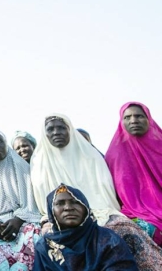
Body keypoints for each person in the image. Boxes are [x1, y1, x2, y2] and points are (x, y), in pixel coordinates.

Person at [31, 113, 162, 270]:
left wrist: (88, 213)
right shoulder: (38, 162)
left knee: (125, 228)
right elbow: (43, 200)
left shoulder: (90, 156)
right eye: (50, 129)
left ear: (70, 130)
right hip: (55, 217)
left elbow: (104, 192)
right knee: (44, 240)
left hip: (100, 210)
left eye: (61, 128)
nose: (56, 132)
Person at [0, 130, 42, 270]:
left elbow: (31, 203)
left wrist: (18, 220)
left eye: (0, 141)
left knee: (34, 238)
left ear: (6, 144)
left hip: (23, 220)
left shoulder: (21, 167)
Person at [34, 184, 138, 271]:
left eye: (76, 202)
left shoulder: (108, 240)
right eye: (60, 203)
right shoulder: (44, 246)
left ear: (86, 208)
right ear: (51, 211)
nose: (68, 208)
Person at [106, 102, 162, 246]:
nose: (133, 120)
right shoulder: (114, 155)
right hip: (133, 212)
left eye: (139, 116)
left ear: (148, 119)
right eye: (127, 117)